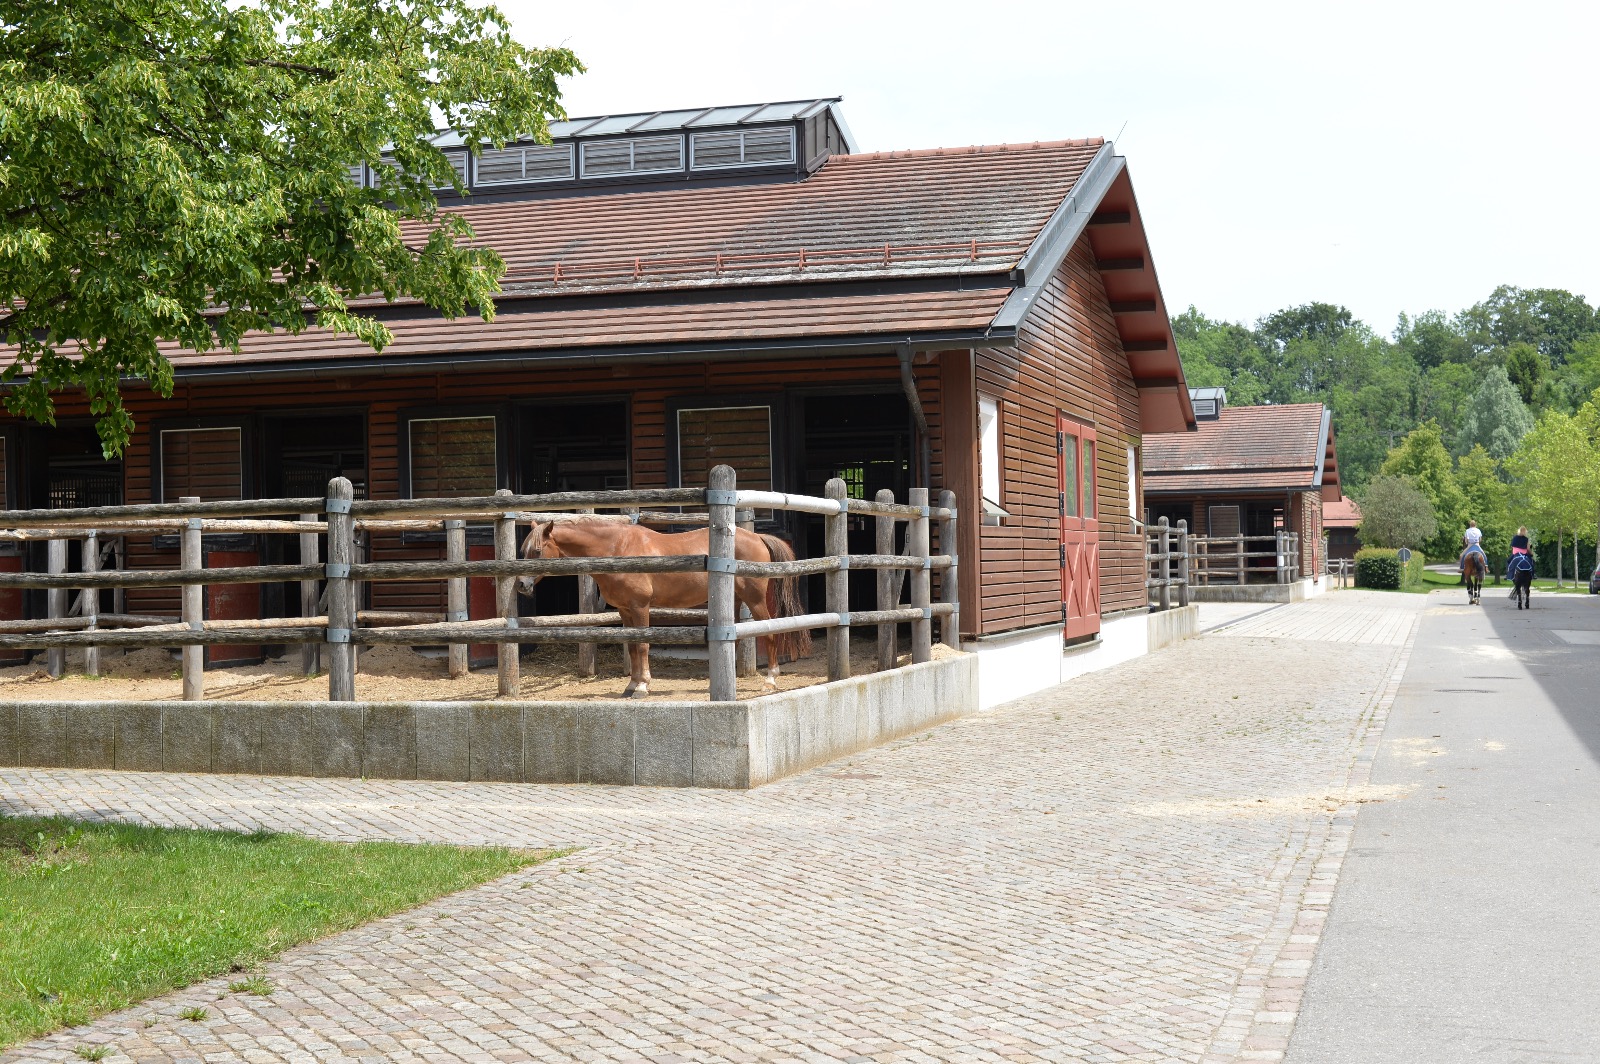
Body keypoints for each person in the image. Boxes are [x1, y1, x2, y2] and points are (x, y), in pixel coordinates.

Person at [1507, 526, 1534, 594]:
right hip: (1524, 554)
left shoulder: (1515, 538)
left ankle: (1509, 575)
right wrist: (1531, 553)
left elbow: (1513, 547)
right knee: (1532, 561)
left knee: (1508, 561)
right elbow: (1528, 549)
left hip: (1516, 554)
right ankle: (1533, 574)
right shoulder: (1526, 539)